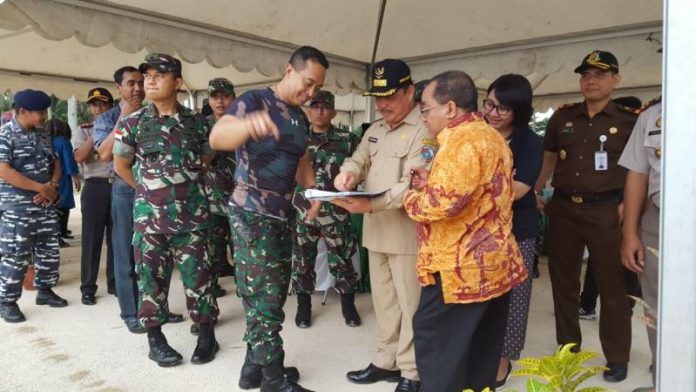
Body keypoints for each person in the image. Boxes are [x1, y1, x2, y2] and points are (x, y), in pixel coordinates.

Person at [209, 45, 326, 392]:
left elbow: (302, 161)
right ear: (289, 70)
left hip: (281, 215)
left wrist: (314, 193)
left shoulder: (299, 117)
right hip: (252, 215)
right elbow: (218, 137)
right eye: (307, 84)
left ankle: (253, 368)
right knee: (266, 300)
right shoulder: (254, 101)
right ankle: (273, 382)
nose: (311, 93)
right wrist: (247, 126)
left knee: (267, 296)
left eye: (317, 88)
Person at [403, 70, 526, 392]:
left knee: (437, 344)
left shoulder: (460, 141)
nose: (424, 116)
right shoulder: (492, 136)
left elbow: (440, 205)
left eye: (426, 108)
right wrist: (431, 182)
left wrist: (411, 198)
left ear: (451, 108)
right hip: (494, 265)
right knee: (480, 349)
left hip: (459, 269)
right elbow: (479, 192)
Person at [534, 50, 638, 382]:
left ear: (616, 80)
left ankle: (617, 355)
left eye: (600, 75)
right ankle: (568, 346)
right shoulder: (562, 118)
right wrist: (537, 189)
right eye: (585, 75)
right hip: (563, 209)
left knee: (612, 286)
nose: (591, 81)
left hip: (607, 209)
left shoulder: (628, 120)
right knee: (563, 282)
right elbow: (549, 159)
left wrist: (629, 207)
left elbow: (641, 170)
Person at [113, 53, 220, 367]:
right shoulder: (133, 122)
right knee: (151, 282)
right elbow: (121, 165)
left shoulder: (197, 123)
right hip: (151, 222)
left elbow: (207, 158)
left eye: (160, 74)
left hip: (193, 219)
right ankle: (156, 341)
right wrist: (147, 191)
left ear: (178, 82)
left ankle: (206, 335)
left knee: (200, 279)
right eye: (147, 75)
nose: (150, 80)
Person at [333, 59, 432, 392]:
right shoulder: (375, 128)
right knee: (384, 303)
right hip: (376, 231)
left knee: (411, 305)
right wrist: (348, 173)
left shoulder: (427, 131)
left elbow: (415, 184)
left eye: (389, 96)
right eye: (377, 97)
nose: (382, 104)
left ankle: (411, 371)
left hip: (408, 235)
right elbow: (359, 157)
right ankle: (385, 361)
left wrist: (369, 204)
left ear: (410, 91)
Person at [93, 66, 184, 333]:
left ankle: (158, 308)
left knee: (158, 254)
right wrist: (123, 116)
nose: (137, 88)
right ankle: (131, 312)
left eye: (140, 82)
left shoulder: (154, 114)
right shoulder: (107, 118)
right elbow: (105, 154)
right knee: (126, 254)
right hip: (126, 190)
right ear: (118, 89)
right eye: (130, 83)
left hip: (158, 193)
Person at [482, 74, 543, 388]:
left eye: (502, 109)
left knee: (514, 297)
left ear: (518, 112)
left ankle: (503, 359)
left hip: (517, 230)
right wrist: (498, 183)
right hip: (477, 232)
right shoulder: (474, 135)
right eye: (489, 104)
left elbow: (518, 190)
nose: (492, 113)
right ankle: (479, 353)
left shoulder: (530, 143)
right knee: (480, 295)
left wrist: (480, 187)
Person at [291, 90, 360, 329]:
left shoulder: (347, 139)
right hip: (305, 209)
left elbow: (359, 169)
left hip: (336, 210)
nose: (319, 111)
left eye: (325, 107)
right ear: (309, 111)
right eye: (315, 106)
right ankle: (303, 306)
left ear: (333, 112)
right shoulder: (297, 138)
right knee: (303, 259)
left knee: (341, 258)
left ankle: (348, 305)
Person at [0, 89, 68, 323]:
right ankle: (7, 301)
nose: (44, 116)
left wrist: (52, 185)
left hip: (45, 204)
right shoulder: (6, 134)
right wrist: (40, 188)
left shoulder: (43, 133)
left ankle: (45, 291)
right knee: (15, 255)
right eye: (40, 112)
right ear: (22, 112)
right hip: (18, 207)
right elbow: (4, 170)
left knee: (49, 250)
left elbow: (56, 162)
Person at [578, 96, 644, 320]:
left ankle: (624, 310)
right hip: (607, 210)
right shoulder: (610, 143)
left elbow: (638, 181)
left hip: (626, 213)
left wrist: (626, 209)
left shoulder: (637, 144)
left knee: (627, 264)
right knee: (600, 262)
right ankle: (588, 305)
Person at [619, 96, 662, 392]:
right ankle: (664, 378)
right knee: (656, 303)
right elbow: (638, 173)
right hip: (660, 219)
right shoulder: (653, 115)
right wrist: (630, 232)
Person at [190, 77, 237, 336]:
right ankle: (206, 314)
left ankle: (251, 304)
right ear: (209, 100)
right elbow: (199, 161)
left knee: (243, 256)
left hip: (240, 204)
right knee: (205, 260)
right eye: (215, 97)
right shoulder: (201, 126)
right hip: (208, 203)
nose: (220, 101)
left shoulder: (245, 125)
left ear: (233, 98)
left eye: (225, 96)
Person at [73, 87, 116, 305]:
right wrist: (98, 131)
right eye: (94, 104)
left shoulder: (119, 127)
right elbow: (80, 156)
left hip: (116, 185)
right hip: (95, 187)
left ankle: (115, 282)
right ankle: (88, 287)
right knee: (91, 240)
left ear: (112, 105)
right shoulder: (84, 131)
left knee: (117, 239)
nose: (98, 108)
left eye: (103, 103)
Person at [46, 119, 80, 247]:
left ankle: (61, 232)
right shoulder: (64, 141)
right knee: (63, 207)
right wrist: (75, 176)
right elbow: (68, 159)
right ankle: (59, 235)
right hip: (63, 178)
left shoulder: (47, 141)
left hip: (50, 179)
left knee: (54, 207)